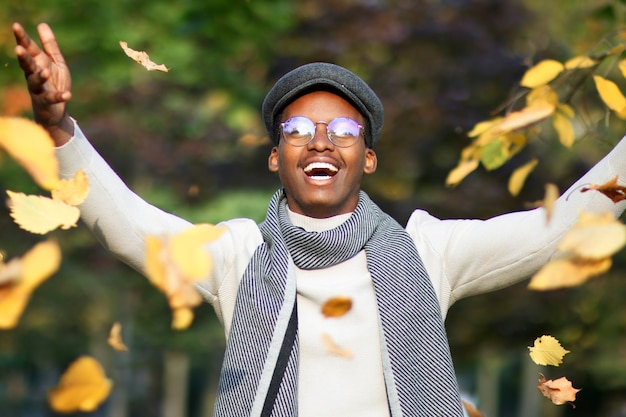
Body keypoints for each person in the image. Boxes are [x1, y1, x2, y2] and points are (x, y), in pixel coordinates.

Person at [12, 22, 626, 417]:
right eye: (300, 131)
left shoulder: (428, 249)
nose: (323, 143)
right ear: (277, 157)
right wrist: (59, 127)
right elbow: (126, 227)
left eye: (346, 132)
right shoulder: (237, 253)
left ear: (369, 157)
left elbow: (560, 231)